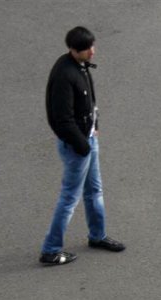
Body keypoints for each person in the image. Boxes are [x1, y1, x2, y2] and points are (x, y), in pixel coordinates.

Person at [40, 26, 124, 265]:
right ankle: (50, 249)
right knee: (69, 198)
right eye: (87, 49)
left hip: (87, 139)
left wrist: (94, 125)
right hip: (78, 146)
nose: (92, 52)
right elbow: (61, 118)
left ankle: (98, 236)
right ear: (73, 50)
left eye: (92, 46)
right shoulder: (64, 75)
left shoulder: (78, 66)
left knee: (95, 191)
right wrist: (83, 145)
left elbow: (89, 99)